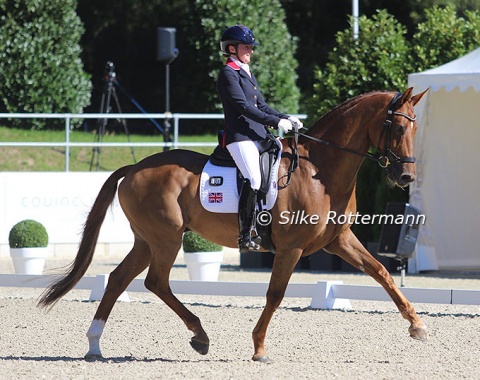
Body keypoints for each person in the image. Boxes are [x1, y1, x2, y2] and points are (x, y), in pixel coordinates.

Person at [216, 24, 303, 253]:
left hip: (258, 134)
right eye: (247, 46)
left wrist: (285, 117)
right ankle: (245, 234)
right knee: (253, 179)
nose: (251, 51)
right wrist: (275, 123)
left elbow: (261, 105)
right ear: (231, 48)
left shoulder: (245, 71)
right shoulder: (228, 73)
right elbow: (243, 107)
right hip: (240, 137)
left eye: (251, 47)